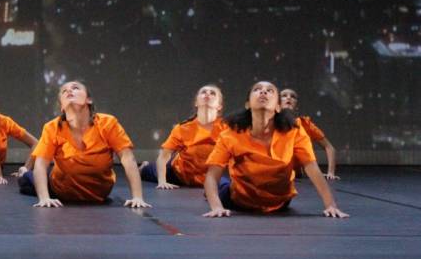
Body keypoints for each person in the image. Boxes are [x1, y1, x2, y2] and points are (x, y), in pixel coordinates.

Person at [203, 80, 348, 218]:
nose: (263, 92)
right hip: (239, 200)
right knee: (221, 184)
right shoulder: (230, 134)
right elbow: (212, 175)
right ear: (248, 104)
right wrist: (217, 207)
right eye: (257, 89)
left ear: (278, 107)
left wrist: (330, 205)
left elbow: (311, 167)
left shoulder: (294, 132)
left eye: (270, 91)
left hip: (279, 203)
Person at [21, 80, 149, 209]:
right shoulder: (52, 127)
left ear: (89, 99)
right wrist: (44, 198)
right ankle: (24, 172)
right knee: (27, 178)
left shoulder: (108, 123)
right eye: (64, 91)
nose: (69, 91)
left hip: (98, 193)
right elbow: (41, 164)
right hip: (60, 190)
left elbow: (127, 158)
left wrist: (137, 197)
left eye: (75, 88)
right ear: (61, 106)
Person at [139, 84, 226, 189]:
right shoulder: (183, 128)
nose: (207, 94)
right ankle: (145, 166)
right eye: (203, 92)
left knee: (226, 186)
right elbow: (163, 157)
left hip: (208, 177)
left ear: (219, 106)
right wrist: (162, 181)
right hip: (178, 174)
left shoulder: (226, 129)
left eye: (212, 93)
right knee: (148, 171)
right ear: (196, 103)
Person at [280, 88, 339, 180]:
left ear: (297, 106)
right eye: (284, 96)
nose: (289, 98)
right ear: (277, 104)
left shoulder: (305, 124)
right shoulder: (269, 123)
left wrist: (331, 173)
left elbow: (329, 147)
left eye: (293, 96)